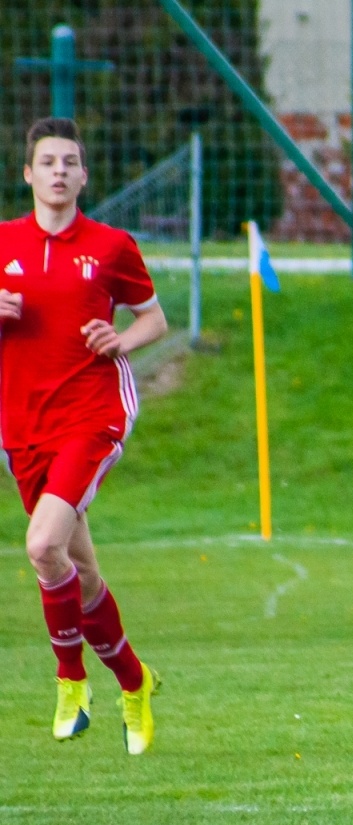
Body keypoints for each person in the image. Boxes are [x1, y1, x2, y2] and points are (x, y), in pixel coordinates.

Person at [0, 118, 166, 753]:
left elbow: (153, 319)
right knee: (82, 574)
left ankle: (71, 681)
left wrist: (118, 339)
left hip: (94, 414)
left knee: (43, 546)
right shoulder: (5, 242)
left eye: (70, 162)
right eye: (48, 162)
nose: (59, 172)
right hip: (24, 427)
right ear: (29, 174)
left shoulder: (112, 245)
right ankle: (134, 680)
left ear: (84, 175)